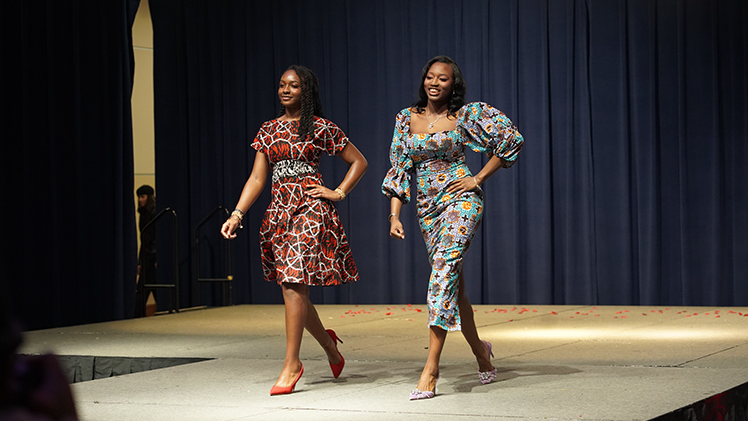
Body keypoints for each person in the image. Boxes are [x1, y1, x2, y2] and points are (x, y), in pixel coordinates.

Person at [381, 55, 524, 400]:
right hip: (427, 210)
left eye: (442, 79)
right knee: (454, 289)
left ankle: (431, 368)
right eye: (430, 77)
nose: (434, 83)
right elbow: (399, 169)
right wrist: (394, 215)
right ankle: (481, 353)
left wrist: (477, 178)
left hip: (461, 201)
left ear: (453, 85)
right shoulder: (405, 118)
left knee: (442, 272)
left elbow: (511, 140)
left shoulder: (464, 116)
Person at [221, 65, 368, 395]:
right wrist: (237, 214)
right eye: (282, 85)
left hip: (311, 209)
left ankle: (292, 364)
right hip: (280, 213)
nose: (286, 90)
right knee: (294, 289)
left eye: (294, 86)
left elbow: (359, 161)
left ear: (307, 91)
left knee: (292, 284)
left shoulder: (319, 127)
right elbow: (257, 178)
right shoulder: (268, 130)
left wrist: (339, 191)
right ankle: (329, 346)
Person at [135, 185, 157, 318]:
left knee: (145, 289)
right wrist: (140, 261)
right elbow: (144, 239)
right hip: (147, 256)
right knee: (147, 288)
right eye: (138, 197)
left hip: (152, 257)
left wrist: (157, 258)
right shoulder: (143, 214)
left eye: (142, 197)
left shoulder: (154, 213)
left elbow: (156, 238)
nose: (139, 200)